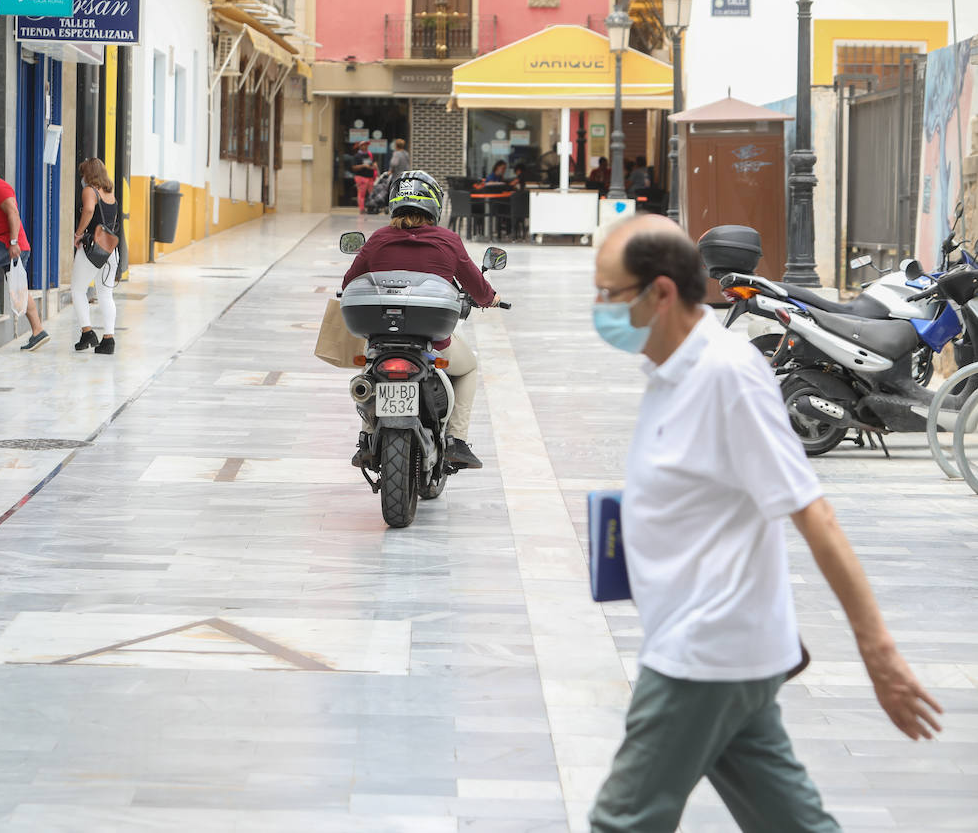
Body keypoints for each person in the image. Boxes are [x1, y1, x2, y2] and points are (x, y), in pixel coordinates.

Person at [588, 215, 943, 832]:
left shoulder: (725, 375)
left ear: (662, 293)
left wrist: (878, 653)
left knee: (623, 820)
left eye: (610, 294)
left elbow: (814, 513)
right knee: (789, 822)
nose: (600, 309)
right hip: (714, 644)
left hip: (705, 650)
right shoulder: (668, 370)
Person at [340, 171, 501, 470]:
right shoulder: (448, 240)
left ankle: (366, 437)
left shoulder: (378, 239)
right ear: (434, 206)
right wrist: (489, 298)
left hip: (381, 339)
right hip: (432, 341)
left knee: (369, 371)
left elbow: (350, 281)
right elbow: (476, 286)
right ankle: (457, 441)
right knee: (467, 369)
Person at [0, 156, 50, 351]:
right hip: (8, 244)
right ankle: (38, 331)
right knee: (18, 291)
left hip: (10, 245)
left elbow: (13, 213)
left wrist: (13, 242)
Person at [70, 157, 120, 355]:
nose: (82, 178)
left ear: (88, 174)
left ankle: (87, 332)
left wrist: (78, 233)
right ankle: (109, 339)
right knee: (106, 293)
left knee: (77, 289)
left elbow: (89, 209)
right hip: (110, 250)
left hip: (92, 249)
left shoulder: (89, 190)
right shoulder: (110, 193)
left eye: (83, 173)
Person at [350, 142, 377, 214]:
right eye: (364, 145)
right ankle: (362, 209)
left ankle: (372, 208)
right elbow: (353, 167)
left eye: (367, 145)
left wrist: (374, 166)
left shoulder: (370, 155)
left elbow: (374, 163)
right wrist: (363, 166)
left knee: (372, 194)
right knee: (362, 194)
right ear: (360, 146)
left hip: (370, 177)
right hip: (361, 177)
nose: (366, 146)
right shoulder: (357, 156)